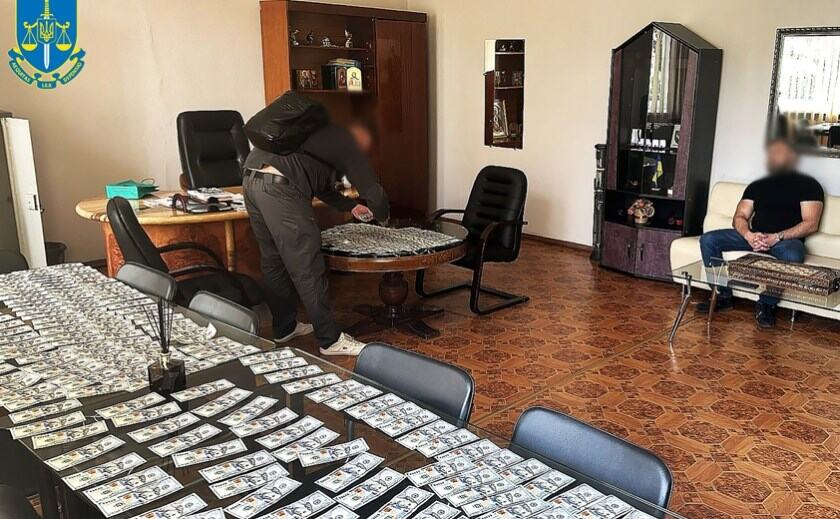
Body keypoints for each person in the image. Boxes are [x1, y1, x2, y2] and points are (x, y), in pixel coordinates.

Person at [243, 113, 389, 356]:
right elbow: (375, 193)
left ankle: (284, 327)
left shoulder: (316, 135)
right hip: (280, 186)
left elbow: (318, 183)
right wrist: (384, 219)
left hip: (252, 177)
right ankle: (330, 341)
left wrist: (351, 206)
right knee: (308, 264)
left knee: (273, 259)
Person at [698, 139, 824, 328]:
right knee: (708, 239)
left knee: (793, 255)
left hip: (785, 240)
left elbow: (811, 224)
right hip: (755, 235)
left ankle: (767, 303)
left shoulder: (809, 185)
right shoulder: (757, 185)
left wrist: (777, 237)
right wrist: (748, 235)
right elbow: (739, 216)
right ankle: (723, 295)